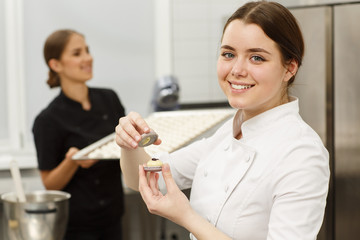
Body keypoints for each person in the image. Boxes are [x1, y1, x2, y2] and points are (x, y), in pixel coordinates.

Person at [115, 1, 330, 240]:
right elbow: (143, 178)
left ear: (290, 68)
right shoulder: (227, 134)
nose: (237, 69)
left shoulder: (302, 154)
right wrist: (130, 144)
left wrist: (186, 217)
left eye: (256, 58)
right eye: (228, 54)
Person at [32, 29, 125, 240]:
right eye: (77, 53)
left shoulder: (109, 99)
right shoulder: (47, 120)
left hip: (114, 216)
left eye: (87, 50)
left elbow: (125, 147)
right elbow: (49, 184)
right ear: (56, 65)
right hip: (77, 227)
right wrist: (72, 161)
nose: (88, 58)